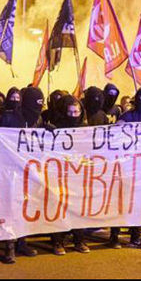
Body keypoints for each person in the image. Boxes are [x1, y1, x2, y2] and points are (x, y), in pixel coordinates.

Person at [0, 87, 44, 263]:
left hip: (29, 170)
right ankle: (9, 246)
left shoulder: (38, 119)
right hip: (10, 170)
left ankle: (22, 241)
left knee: (25, 207)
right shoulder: (8, 118)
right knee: (11, 207)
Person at [110, 87, 141, 249]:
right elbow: (114, 136)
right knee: (121, 202)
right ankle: (114, 235)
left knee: (139, 204)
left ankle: (136, 235)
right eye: (140, 99)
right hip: (126, 167)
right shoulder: (126, 117)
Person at [49, 95, 92, 255]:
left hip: (78, 175)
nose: (73, 115)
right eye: (70, 112)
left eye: (76, 112)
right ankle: (57, 241)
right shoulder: (57, 128)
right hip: (59, 175)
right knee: (59, 208)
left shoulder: (85, 129)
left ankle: (79, 240)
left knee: (78, 209)